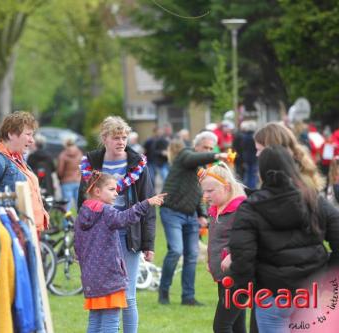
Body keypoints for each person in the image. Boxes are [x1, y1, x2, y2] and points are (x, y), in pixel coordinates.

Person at [225, 145, 339, 332]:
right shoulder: (313, 199)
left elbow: (242, 256)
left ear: (261, 172)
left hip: (277, 292)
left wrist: (249, 289)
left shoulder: (251, 207)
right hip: (303, 290)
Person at [78, 116, 155, 333]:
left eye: (124, 137)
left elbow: (146, 202)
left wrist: (148, 243)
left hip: (127, 232)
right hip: (99, 235)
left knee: (127, 295)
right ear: (104, 139)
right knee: (102, 294)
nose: (121, 142)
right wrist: (81, 241)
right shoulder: (92, 163)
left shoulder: (137, 163)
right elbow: (82, 201)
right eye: (116, 138)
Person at [74, 171, 166, 333]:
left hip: (91, 278)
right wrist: (146, 203)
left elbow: (77, 245)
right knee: (111, 321)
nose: (116, 193)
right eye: (111, 189)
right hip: (110, 277)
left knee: (95, 321)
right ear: (97, 191)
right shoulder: (106, 211)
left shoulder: (83, 212)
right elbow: (124, 218)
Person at [158, 131, 229, 305]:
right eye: (205, 147)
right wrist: (217, 155)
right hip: (171, 211)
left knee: (192, 255)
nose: (207, 150)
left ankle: (188, 297)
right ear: (196, 146)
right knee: (176, 251)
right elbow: (193, 159)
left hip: (190, 215)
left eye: (211, 148)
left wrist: (202, 214)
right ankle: (163, 293)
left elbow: (199, 194)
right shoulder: (185, 155)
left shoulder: (201, 170)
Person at [199, 163, 247, 333]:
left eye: (210, 191)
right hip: (224, 276)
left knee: (221, 326)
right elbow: (217, 239)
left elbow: (251, 236)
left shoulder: (241, 209)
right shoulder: (216, 209)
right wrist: (210, 259)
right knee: (236, 325)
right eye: (204, 191)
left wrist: (233, 254)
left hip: (239, 276)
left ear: (226, 187)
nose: (205, 196)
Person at [254, 122, 325, 192]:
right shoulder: (291, 175)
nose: (257, 154)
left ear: (273, 150)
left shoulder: (290, 184)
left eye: (259, 150)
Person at [57, 136, 83, 211]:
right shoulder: (79, 153)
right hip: (78, 181)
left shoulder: (63, 155)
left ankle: (67, 222)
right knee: (79, 204)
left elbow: (60, 171)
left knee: (66, 205)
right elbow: (82, 167)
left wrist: (60, 178)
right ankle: (81, 221)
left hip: (66, 182)